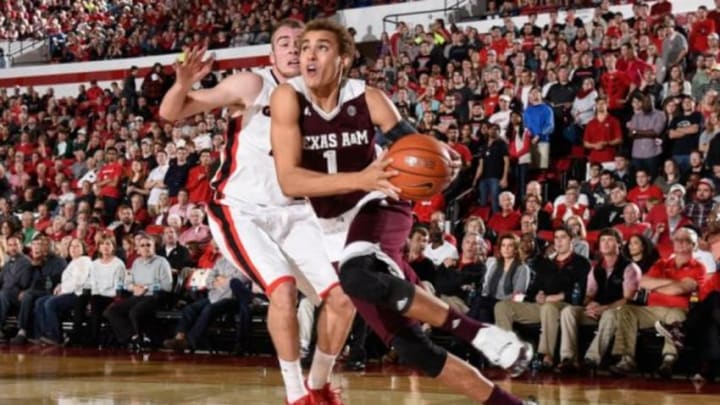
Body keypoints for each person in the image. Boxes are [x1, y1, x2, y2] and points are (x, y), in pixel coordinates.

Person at [271, 19, 535, 405]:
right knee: (412, 348)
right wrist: (360, 177)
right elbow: (290, 182)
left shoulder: (369, 98)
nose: (308, 54)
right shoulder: (288, 97)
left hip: (379, 201)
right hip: (331, 221)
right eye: (305, 46)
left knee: (356, 275)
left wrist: (445, 159)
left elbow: (414, 144)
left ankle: (479, 333)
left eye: (321, 47)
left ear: (344, 58)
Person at [158, 19, 354, 405]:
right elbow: (171, 114)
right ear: (272, 54)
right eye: (285, 42)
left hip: (296, 213)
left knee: (342, 300)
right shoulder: (252, 84)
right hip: (242, 209)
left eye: (302, 42)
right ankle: (296, 395)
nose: (294, 47)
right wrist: (182, 84)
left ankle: (319, 385)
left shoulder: (327, 97)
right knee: (281, 291)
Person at [610, 227, 707, 378]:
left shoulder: (699, 267)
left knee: (675, 315)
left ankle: (668, 360)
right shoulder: (661, 263)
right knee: (625, 310)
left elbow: (681, 289)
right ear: (673, 242)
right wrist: (673, 283)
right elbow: (642, 282)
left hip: (678, 309)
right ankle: (626, 359)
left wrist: (660, 286)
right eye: (677, 239)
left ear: (694, 245)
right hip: (652, 310)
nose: (680, 243)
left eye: (686, 240)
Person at [558, 228, 642, 373]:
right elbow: (590, 294)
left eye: (610, 240)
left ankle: (592, 359)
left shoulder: (629, 267)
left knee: (610, 314)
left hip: (618, 311)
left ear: (619, 244)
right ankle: (568, 358)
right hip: (598, 310)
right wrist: (589, 304)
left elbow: (628, 299)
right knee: (568, 311)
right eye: (603, 240)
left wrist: (605, 307)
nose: (606, 243)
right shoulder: (596, 268)